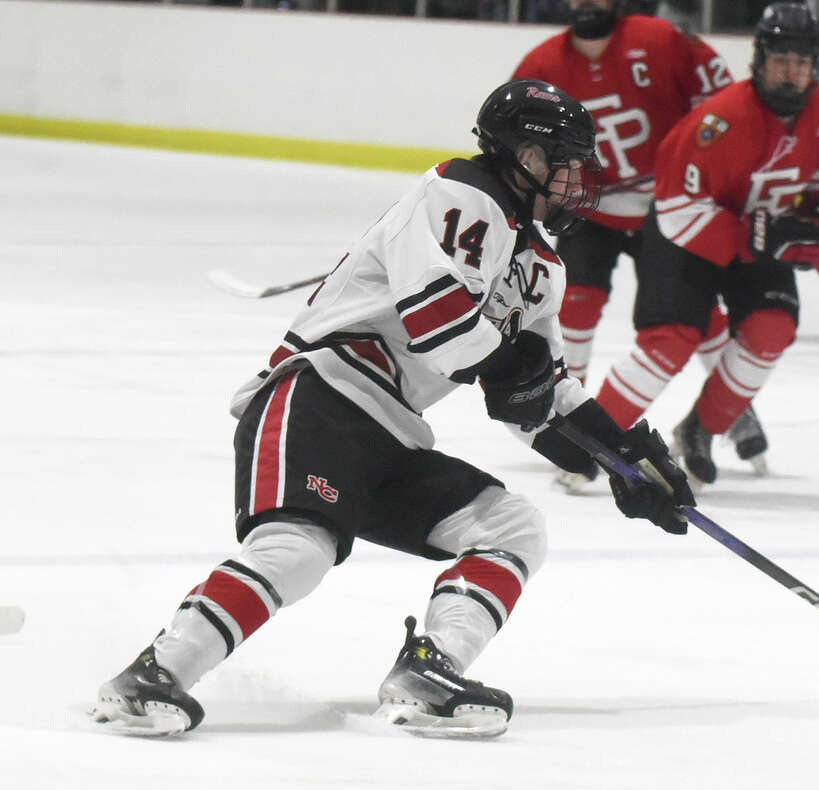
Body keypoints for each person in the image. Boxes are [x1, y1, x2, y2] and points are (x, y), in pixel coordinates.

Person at [88, 79, 694, 740]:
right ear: (521, 154)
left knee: (513, 528)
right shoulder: (460, 191)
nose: (576, 178)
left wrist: (622, 456)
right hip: (320, 393)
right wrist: (509, 362)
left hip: (393, 431)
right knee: (299, 549)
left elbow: (534, 399)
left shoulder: (542, 269)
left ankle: (429, 673)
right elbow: (438, 319)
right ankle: (153, 675)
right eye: (563, 160)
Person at [592, 1, 819, 484]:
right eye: (780, 61)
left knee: (772, 328)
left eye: (801, 64)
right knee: (671, 341)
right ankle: (590, 444)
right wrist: (755, 238)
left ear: (815, 67)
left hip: (761, 236)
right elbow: (675, 208)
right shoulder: (720, 121)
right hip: (686, 236)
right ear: (758, 61)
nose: (790, 73)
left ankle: (699, 430)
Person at [512, 0, 773, 482]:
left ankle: (732, 407)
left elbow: (726, 100)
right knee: (577, 304)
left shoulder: (661, 39)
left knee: (692, 312)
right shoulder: (541, 65)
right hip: (593, 204)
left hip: (669, 203)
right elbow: (519, 147)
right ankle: (570, 417)